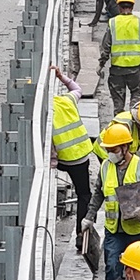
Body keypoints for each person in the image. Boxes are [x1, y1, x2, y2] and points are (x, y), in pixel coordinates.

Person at [94, 122, 140, 280]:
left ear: (125, 147)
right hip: (114, 229)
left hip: (136, 231)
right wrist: (88, 217)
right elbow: (98, 192)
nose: (110, 154)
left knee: (137, 274)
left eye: (113, 150)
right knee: (112, 268)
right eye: (108, 150)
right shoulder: (105, 166)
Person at [50, 66, 98, 244]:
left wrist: (52, 162)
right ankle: (81, 232)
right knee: (84, 194)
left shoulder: (45, 112)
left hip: (62, 159)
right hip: (81, 157)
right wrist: (62, 77)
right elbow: (77, 89)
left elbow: (48, 143)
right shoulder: (66, 100)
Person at [98, 0, 140, 115]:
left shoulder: (113, 23)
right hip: (134, 69)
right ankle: (135, 126)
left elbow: (106, 46)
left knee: (118, 105)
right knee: (136, 98)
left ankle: (119, 129)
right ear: (132, 7)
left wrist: (101, 64)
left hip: (117, 70)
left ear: (119, 6)